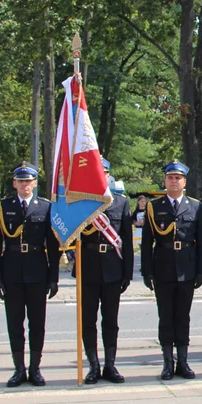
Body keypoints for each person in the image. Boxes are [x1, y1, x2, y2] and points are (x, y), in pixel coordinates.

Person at [0, 162, 61, 387]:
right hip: (11, 270)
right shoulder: (3, 207)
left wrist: (53, 277)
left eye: (29, 181)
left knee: (37, 323)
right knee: (14, 322)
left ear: (35, 183)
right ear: (14, 184)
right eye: (21, 181)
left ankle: (35, 368)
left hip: (37, 270)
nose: (25, 185)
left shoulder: (45, 207)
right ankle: (18, 368)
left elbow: (52, 246)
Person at [143, 160, 202, 379]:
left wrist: (201, 270)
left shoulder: (196, 206)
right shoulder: (154, 206)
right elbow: (146, 243)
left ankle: (183, 362)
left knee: (183, 317)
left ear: (184, 182)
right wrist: (147, 271)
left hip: (187, 268)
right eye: (170, 177)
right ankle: (167, 362)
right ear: (165, 181)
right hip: (163, 267)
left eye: (177, 178)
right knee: (166, 317)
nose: (174, 181)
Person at [78, 158, 133, 384]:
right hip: (88, 266)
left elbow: (127, 242)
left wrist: (127, 273)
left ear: (109, 175)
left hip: (113, 267)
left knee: (111, 320)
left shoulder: (120, 203)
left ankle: (110, 364)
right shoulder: (80, 202)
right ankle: (93, 365)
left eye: (104, 173)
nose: (101, 176)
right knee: (88, 320)